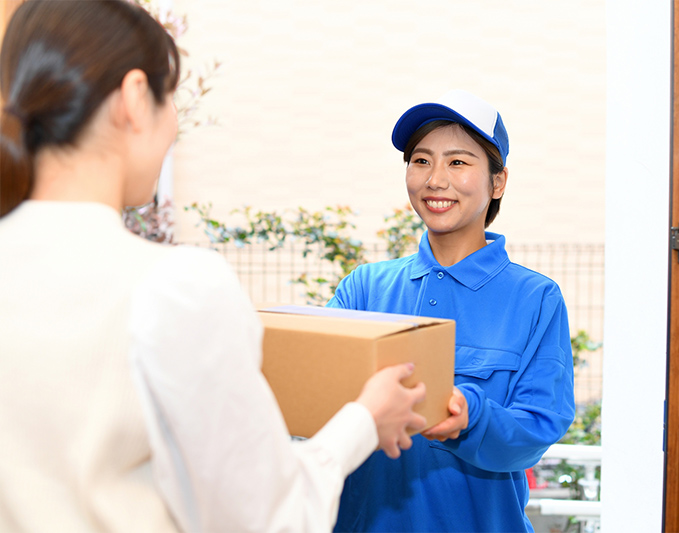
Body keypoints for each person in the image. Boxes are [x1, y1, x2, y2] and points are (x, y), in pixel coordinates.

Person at [0, 2, 426, 532]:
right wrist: (364, 421)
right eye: (170, 98)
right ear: (135, 98)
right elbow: (270, 518)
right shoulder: (174, 289)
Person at [328, 90, 576, 532]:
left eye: (458, 162)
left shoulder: (535, 298)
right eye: (421, 161)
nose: (434, 180)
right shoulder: (363, 290)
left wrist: (471, 417)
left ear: (497, 182)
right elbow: (318, 406)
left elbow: (536, 431)